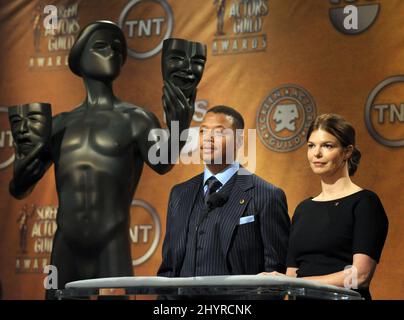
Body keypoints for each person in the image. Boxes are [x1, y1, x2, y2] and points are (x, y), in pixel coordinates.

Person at [8, 21, 200, 299]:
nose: (111, 52)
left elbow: (163, 162)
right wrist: (22, 168)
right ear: (80, 58)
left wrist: (179, 126)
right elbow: (19, 188)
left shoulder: (137, 119)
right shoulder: (58, 125)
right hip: (65, 244)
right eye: (101, 46)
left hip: (112, 242)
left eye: (117, 48)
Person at [262, 114, 388, 300]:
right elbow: (291, 274)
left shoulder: (365, 203)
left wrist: (297, 283)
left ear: (347, 151)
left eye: (327, 146)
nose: (317, 154)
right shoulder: (303, 209)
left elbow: (359, 276)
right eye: (311, 146)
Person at [158, 105, 290, 278]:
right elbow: (168, 268)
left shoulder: (267, 195)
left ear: (240, 140)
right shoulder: (180, 194)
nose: (208, 139)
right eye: (203, 131)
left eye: (219, 133)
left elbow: (275, 271)